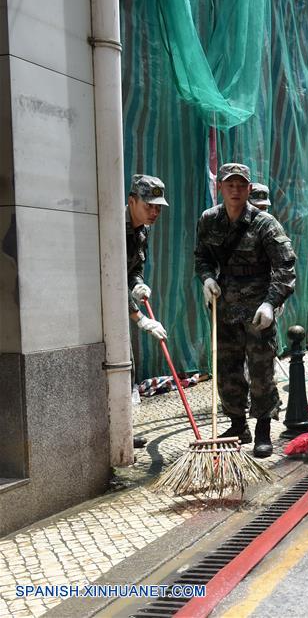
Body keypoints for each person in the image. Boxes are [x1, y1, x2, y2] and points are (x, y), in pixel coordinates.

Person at [194, 163, 296, 458]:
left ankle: (263, 429)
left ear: (249, 189)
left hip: (257, 311)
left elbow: (285, 266)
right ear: (221, 188)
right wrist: (207, 278)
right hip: (224, 307)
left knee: (262, 370)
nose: (235, 190)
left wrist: (271, 302)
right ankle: (238, 424)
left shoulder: (265, 223)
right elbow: (201, 256)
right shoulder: (209, 220)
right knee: (226, 369)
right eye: (230, 185)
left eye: (241, 185)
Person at [126, 174, 169, 449]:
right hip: (96, 309)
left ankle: (123, 434)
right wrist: (139, 318)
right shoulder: (112, 226)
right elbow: (108, 279)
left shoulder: (143, 229)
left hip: (119, 306)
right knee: (118, 370)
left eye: (158, 207)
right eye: (148, 205)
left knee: (126, 370)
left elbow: (133, 270)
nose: (154, 212)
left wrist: (138, 285)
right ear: (132, 201)